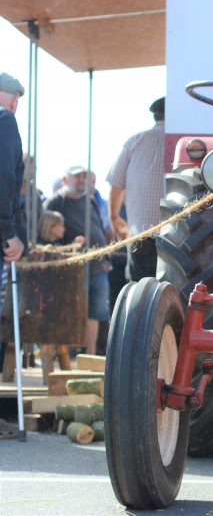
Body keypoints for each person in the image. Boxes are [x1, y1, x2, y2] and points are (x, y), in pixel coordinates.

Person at [44, 165, 110, 355]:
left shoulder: (89, 201)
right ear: (65, 180)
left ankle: (89, 356)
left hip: (97, 266)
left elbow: (98, 228)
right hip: (72, 268)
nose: (81, 180)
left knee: (95, 313)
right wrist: (70, 245)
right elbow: (46, 233)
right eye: (76, 177)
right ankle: (66, 356)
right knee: (70, 311)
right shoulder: (56, 202)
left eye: (83, 176)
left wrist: (105, 257)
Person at [107, 96, 166, 281]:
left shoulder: (135, 142)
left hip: (141, 232)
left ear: (155, 116)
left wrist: (114, 217)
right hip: (179, 235)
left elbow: (116, 183)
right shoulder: (187, 141)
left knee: (139, 293)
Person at [0, 72, 26, 370]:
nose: (15, 103)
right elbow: (4, 177)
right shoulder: (4, 121)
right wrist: (9, 232)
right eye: (12, 95)